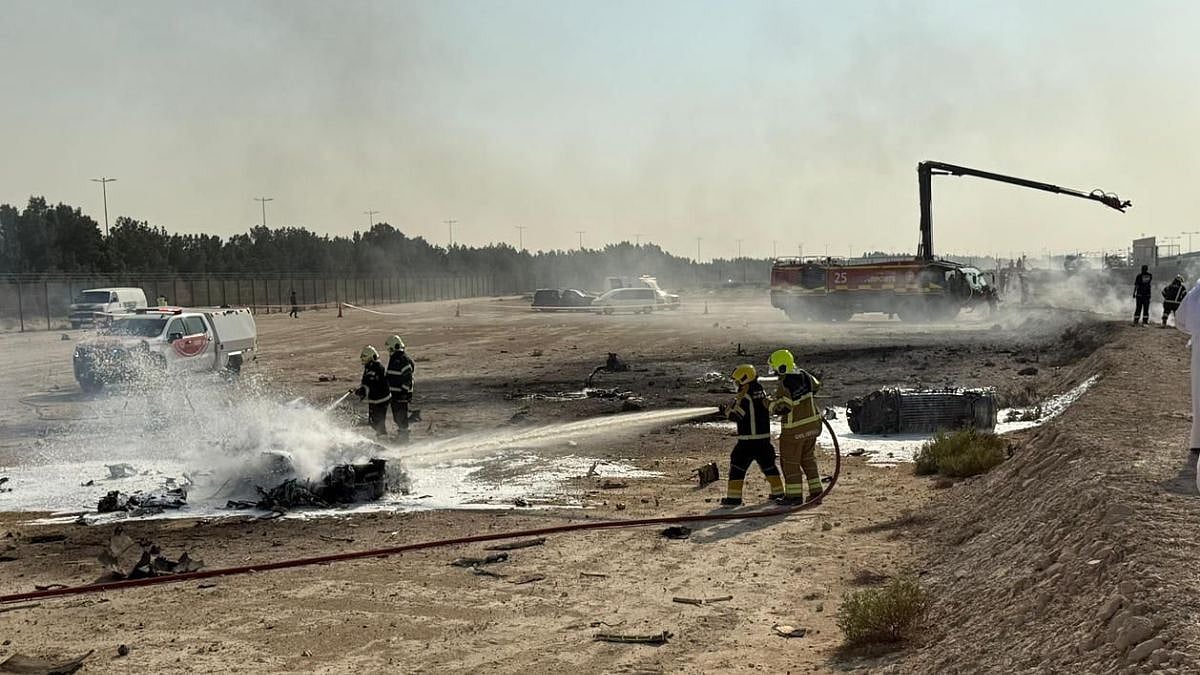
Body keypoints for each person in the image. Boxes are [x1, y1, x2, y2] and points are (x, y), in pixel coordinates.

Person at [719, 364, 784, 507]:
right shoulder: (760, 391)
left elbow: (737, 416)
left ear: (744, 379)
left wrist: (726, 412)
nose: (736, 384)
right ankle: (779, 493)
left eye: (737, 381)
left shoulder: (746, 395)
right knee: (769, 466)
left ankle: (733, 498)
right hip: (764, 440)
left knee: (737, 466)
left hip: (747, 441)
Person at [768, 349, 825, 504]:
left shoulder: (784, 384)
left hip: (794, 431)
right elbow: (816, 386)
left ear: (781, 367)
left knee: (790, 463)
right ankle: (816, 493)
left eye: (775, 369)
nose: (774, 372)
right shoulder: (805, 375)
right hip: (813, 427)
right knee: (808, 460)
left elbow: (783, 408)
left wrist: (769, 403)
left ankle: (794, 496)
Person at [1173, 279, 1200, 458]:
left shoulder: (1194, 294)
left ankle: (1198, 440)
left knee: (1199, 394)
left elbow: (1180, 322)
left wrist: (1196, 332)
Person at [352, 345, 390, 436]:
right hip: (375, 399)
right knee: (373, 421)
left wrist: (361, 391)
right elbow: (367, 383)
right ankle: (382, 436)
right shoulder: (369, 367)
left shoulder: (376, 368)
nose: (362, 359)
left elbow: (370, 384)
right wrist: (360, 390)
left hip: (380, 400)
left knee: (378, 423)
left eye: (364, 357)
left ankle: (383, 439)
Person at [384, 334, 415, 440]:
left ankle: (404, 437)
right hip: (394, 395)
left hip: (401, 395)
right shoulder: (394, 359)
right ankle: (402, 435)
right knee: (397, 417)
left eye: (390, 349)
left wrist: (404, 393)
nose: (389, 351)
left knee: (401, 417)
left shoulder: (402, 359)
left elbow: (408, 378)